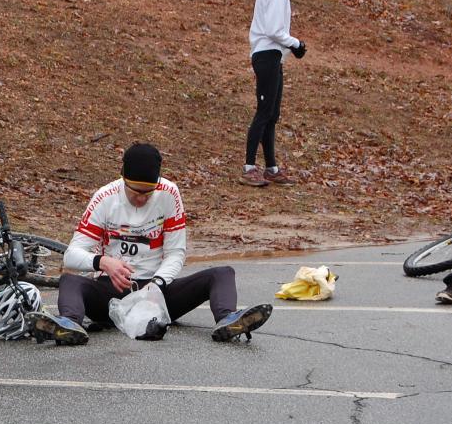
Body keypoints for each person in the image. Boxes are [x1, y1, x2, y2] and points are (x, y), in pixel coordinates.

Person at [27, 143, 273, 345]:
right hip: (112, 293)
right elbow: (71, 255)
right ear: (123, 179)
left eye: (149, 192)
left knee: (222, 273)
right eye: (135, 191)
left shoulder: (169, 193)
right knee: (70, 280)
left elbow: (176, 253)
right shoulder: (105, 197)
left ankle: (229, 320)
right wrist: (103, 262)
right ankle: (69, 324)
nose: (142, 198)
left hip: (157, 295)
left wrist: (156, 286)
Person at [243, 0, 307, 188]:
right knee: (263, 112)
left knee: (272, 114)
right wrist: (296, 44)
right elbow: (274, 30)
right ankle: (249, 167)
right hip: (267, 54)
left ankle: (271, 167)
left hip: (273, 56)